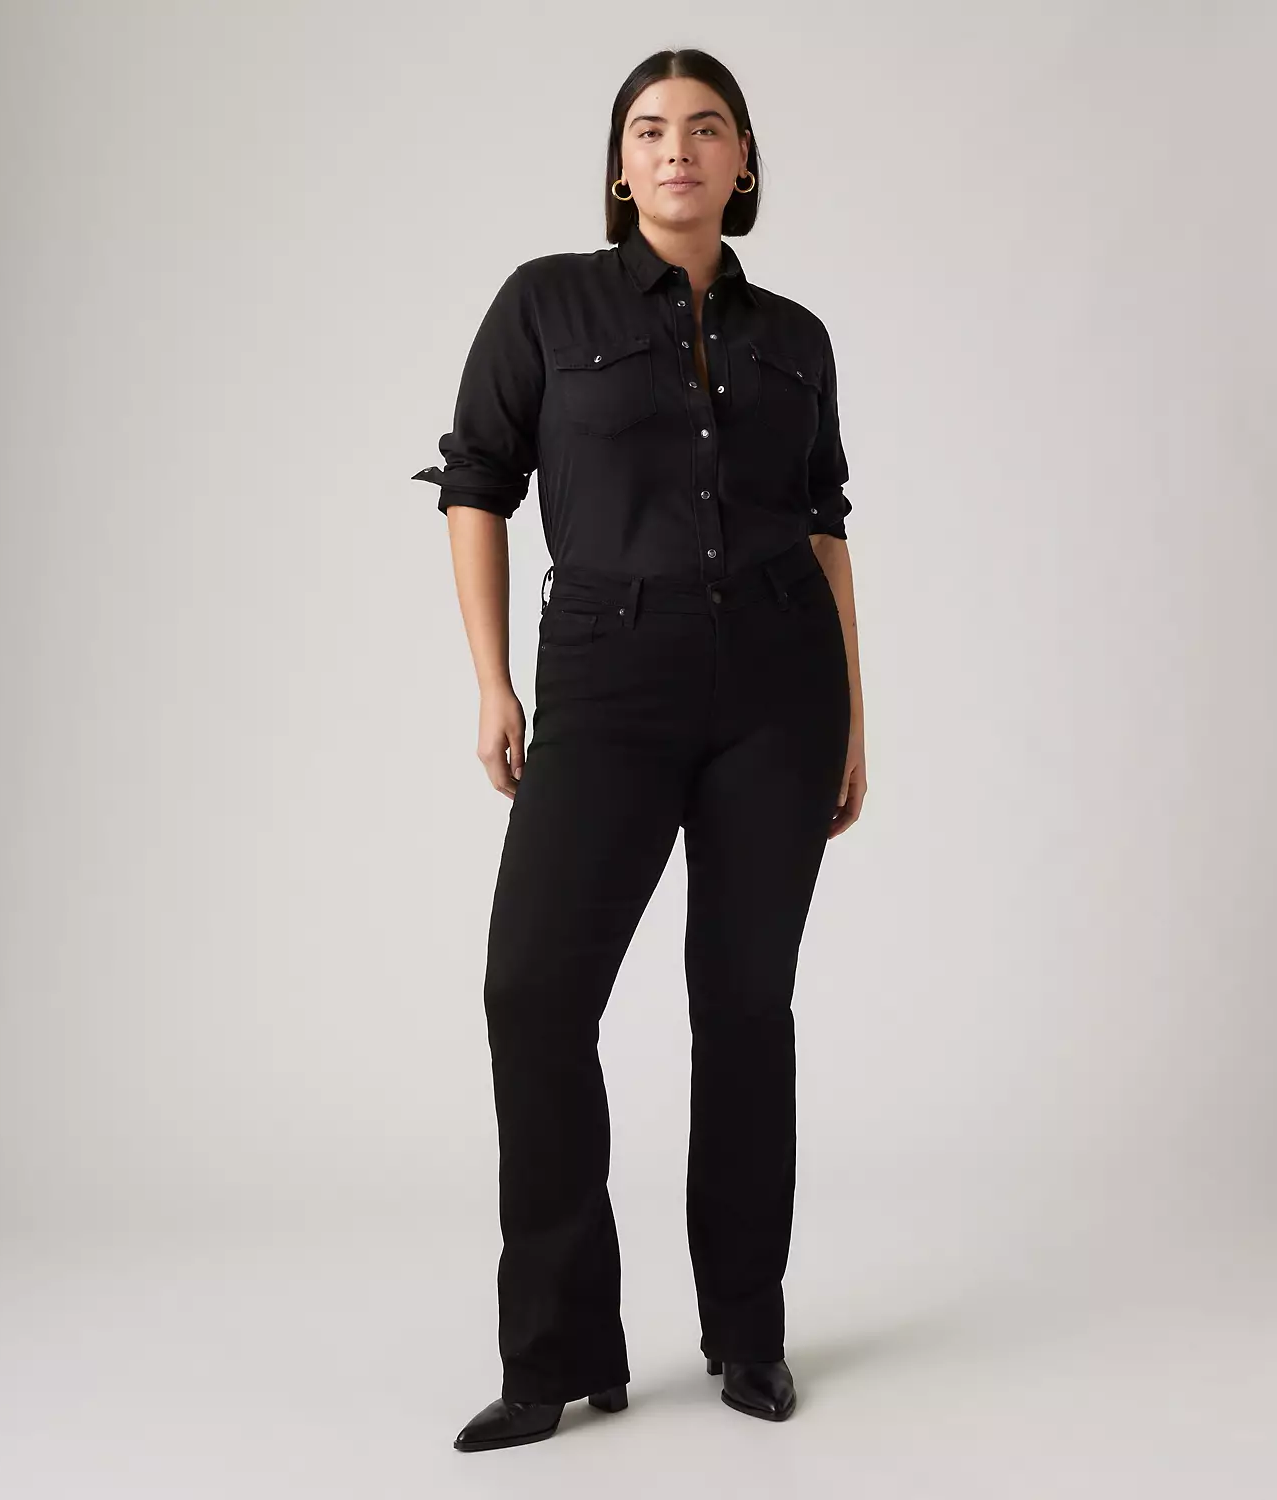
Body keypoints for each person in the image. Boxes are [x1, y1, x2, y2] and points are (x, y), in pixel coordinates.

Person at [411, 48, 867, 1452]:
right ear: (620, 165)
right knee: (534, 992)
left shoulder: (797, 337)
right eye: (651, 129)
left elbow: (826, 520)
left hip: (779, 684)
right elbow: (478, 483)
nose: (679, 148)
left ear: (743, 163)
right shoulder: (545, 304)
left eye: (707, 128)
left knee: (745, 1008)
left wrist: (855, 712)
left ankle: (748, 1336)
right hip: (607, 675)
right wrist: (492, 683)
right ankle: (559, 1355)